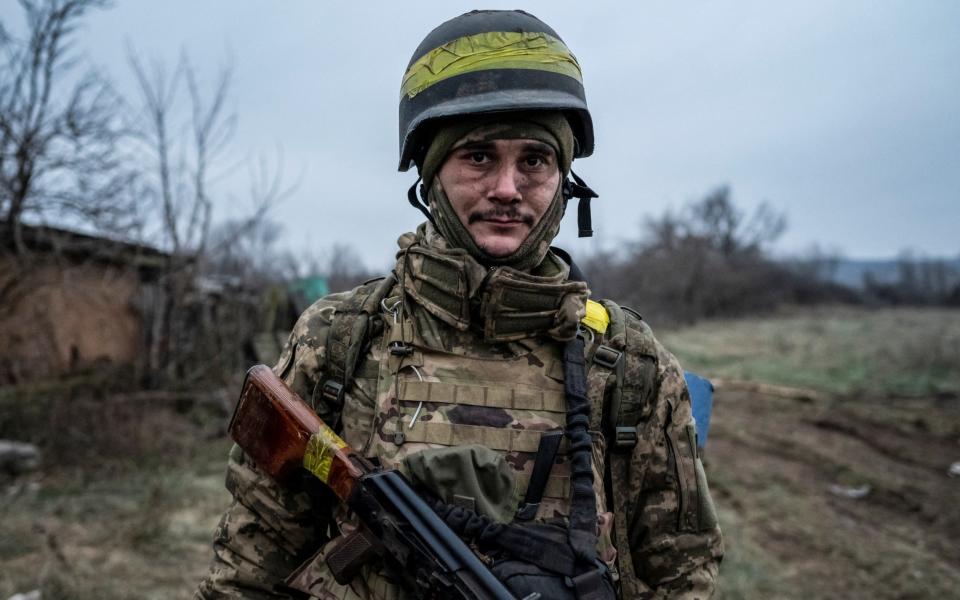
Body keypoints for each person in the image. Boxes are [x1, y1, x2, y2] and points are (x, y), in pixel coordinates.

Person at [196, 9, 723, 600]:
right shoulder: (341, 339)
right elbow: (252, 559)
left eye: (534, 160)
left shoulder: (629, 363)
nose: (506, 188)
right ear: (432, 172)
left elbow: (683, 573)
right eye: (478, 156)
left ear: (563, 179)